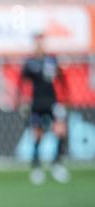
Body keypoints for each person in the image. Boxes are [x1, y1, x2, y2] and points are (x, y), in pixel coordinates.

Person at [17, 32, 70, 185]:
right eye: (37, 42)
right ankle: (37, 167)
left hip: (52, 102)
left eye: (41, 41)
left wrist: (66, 98)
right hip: (37, 103)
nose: (39, 45)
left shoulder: (51, 60)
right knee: (37, 135)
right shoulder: (30, 63)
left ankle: (57, 164)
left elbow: (61, 79)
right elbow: (22, 83)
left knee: (60, 132)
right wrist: (22, 101)